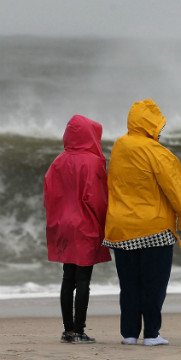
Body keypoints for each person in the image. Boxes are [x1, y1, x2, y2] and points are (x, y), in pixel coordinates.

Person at [103, 99, 181, 346]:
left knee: (129, 285)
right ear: (151, 125)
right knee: (153, 285)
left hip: (121, 228)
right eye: (158, 125)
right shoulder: (159, 153)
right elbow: (175, 190)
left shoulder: (119, 146)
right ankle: (152, 334)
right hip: (154, 228)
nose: (160, 130)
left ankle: (129, 334)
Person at [43, 115, 112, 344]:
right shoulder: (93, 162)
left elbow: (49, 194)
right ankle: (80, 330)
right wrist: (106, 223)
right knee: (83, 279)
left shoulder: (58, 161)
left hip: (63, 224)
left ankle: (68, 331)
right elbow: (98, 199)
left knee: (67, 277)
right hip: (85, 225)